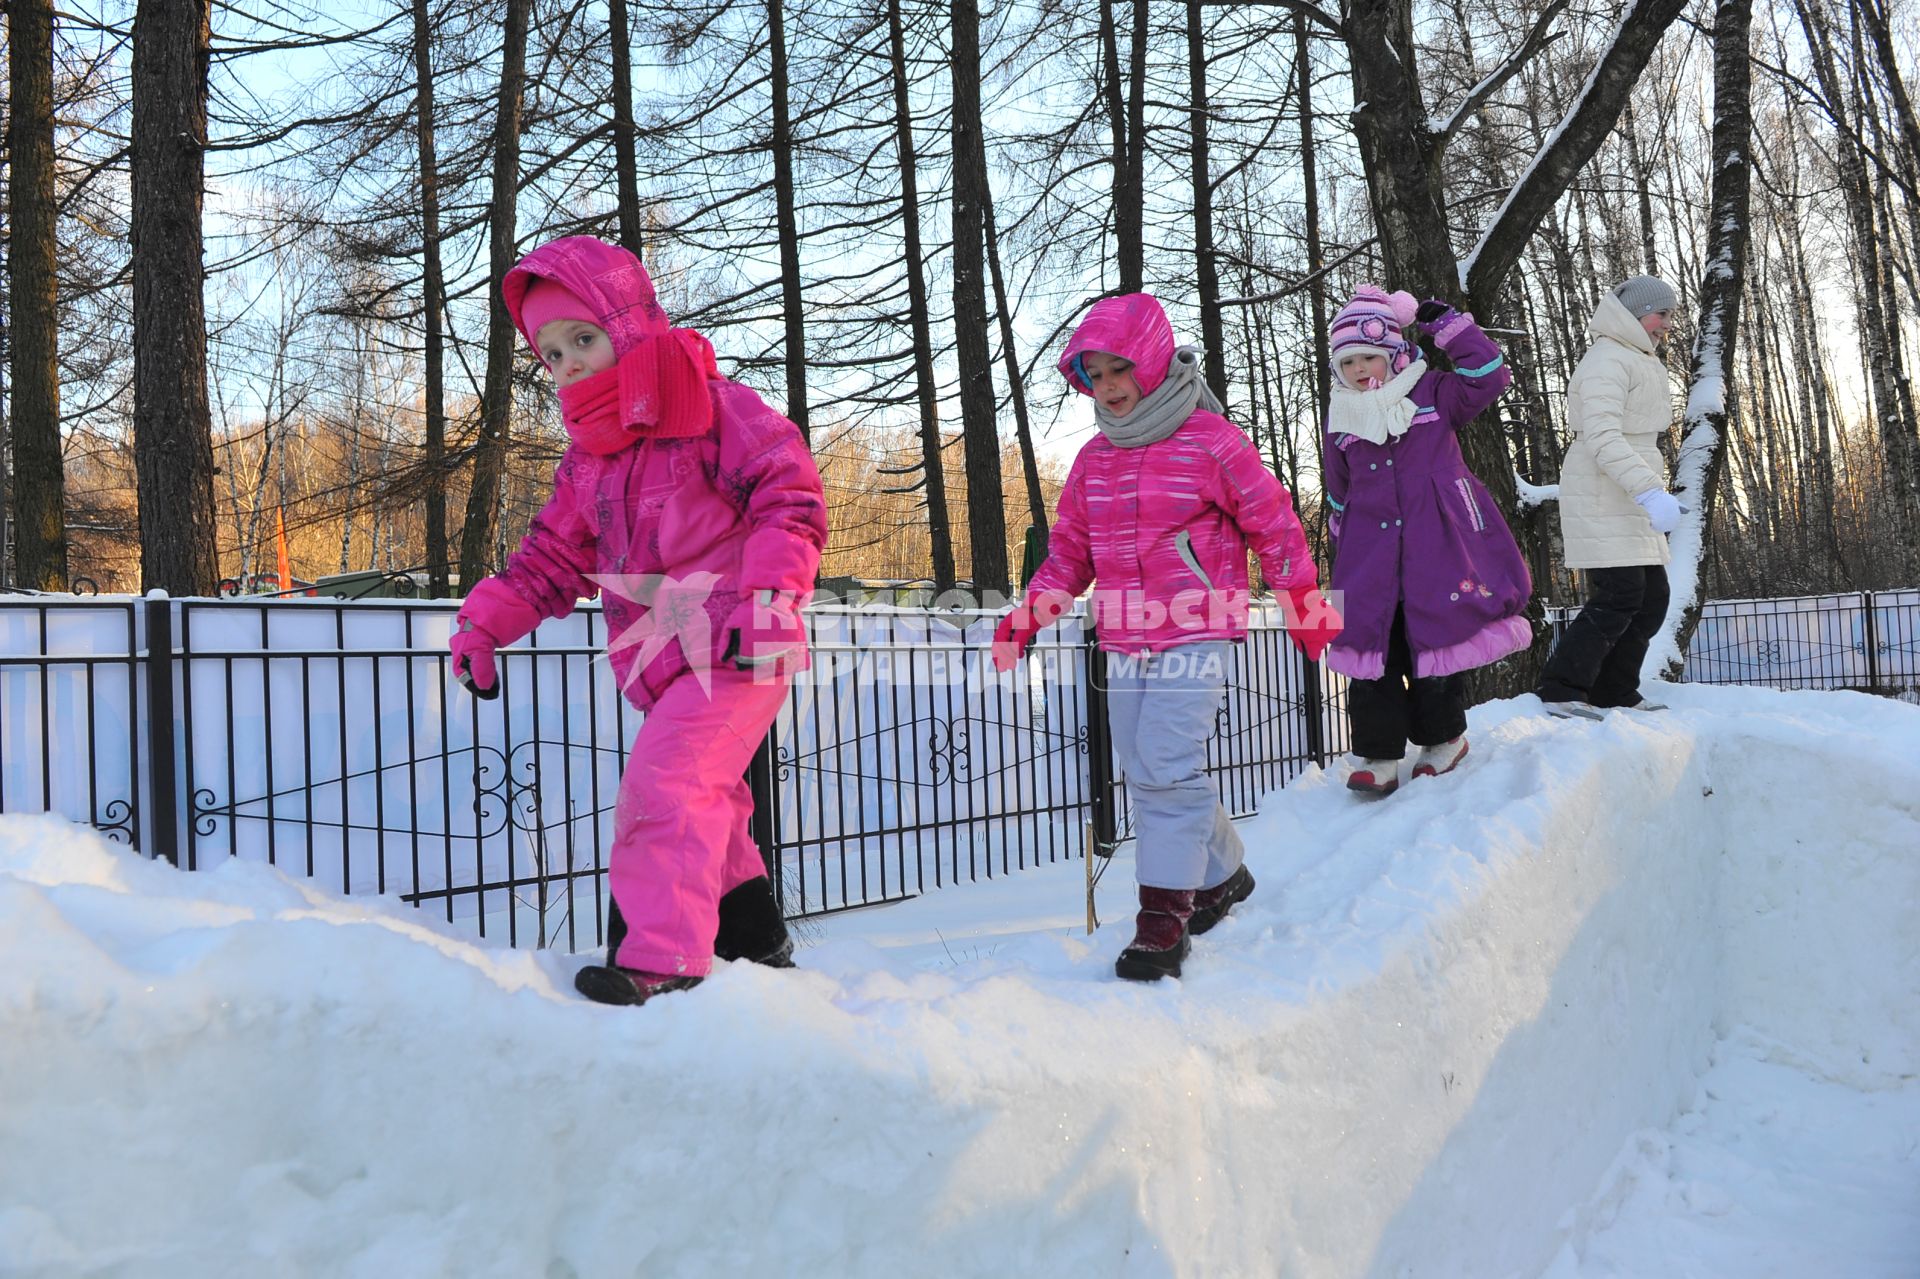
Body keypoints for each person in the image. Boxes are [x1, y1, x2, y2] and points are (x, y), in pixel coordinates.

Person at [449, 235, 828, 1007]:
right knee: (707, 800)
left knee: (667, 785)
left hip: (739, 642)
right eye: (551, 354)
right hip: (663, 656)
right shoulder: (589, 461)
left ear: (630, 325)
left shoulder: (713, 410)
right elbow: (550, 561)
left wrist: (768, 599)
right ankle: (757, 942)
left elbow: (788, 497)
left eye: (584, 339)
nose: (570, 364)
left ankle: (662, 958)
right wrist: (484, 624)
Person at [992, 292, 1341, 981]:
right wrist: (1027, 616)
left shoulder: (1212, 440)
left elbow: (1274, 525)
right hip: (1127, 633)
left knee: (1166, 760)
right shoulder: (1095, 459)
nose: (1110, 387)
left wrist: (1303, 605)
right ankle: (1222, 873)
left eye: (1120, 369)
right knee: (1148, 765)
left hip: (1197, 625)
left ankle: (1162, 915)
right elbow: (1069, 554)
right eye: (1094, 375)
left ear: (1150, 361)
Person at [1321, 285, 1533, 795]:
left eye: (1369, 356)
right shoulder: (1343, 417)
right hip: (1370, 555)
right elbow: (1337, 488)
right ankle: (1378, 753)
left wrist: (1447, 326)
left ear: (1394, 354)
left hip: (1438, 543)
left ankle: (1444, 739)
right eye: (1347, 362)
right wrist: (1341, 545)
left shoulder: (1432, 392)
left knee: (1436, 641)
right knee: (1375, 650)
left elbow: (1488, 376)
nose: (1358, 370)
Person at [1535, 275, 1681, 719]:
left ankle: (1614, 688)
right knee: (1619, 594)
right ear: (1637, 315)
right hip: (1602, 492)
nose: (1667, 326)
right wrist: (1651, 492)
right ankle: (1561, 688)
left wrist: (1650, 492)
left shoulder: (1634, 357)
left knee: (1651, 598)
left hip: (1627, 493)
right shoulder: (1606, 361)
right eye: (1662, 315)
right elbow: (1602, 436)